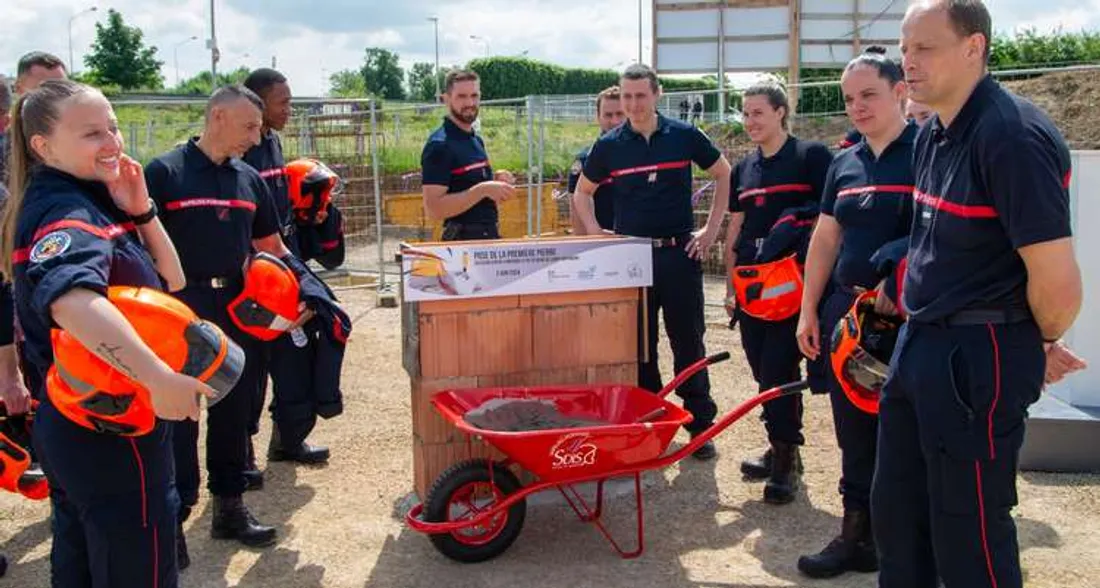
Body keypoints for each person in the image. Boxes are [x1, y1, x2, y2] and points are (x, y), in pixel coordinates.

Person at [875, 2, 1086, 587]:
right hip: (922, 344)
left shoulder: (1011, 137)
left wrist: (1035, 342)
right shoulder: (933, 133)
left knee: (967, 529)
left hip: (977, 352)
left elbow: (1058, 280)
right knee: (899, 513)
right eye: (905, 47)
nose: (908, 63)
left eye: (925, 48)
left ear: (974, 48)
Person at [4, 78, 207, 587]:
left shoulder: (93, 199)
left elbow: (174, 280)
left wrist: (141, 208)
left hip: (86, 420)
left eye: (113, 126)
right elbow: (72, 301)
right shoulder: (65, 211)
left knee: (82, 561)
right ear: (43, 147)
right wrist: (158, 376)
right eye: (92, 133)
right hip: (108, 428)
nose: (113, 142)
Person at [145, 86, 305, 564]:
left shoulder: (249, 179)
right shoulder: (164, 173)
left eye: (258, 128)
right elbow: (139, 245)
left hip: (237, 309)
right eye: (249, 127)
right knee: (176, 416)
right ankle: (172, 518)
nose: (257, 137)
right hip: (179, 308)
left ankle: (229, 509)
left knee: (235, 411)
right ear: (217, 116)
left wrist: (308, 290)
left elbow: (273, 247)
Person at [794, 47, 916, 579]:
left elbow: (947, 232)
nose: (858, 107)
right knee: (853, 431)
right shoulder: (844, 161)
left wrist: (903, 273)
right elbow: (825, 239)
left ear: (900, 90)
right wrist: (809, 310)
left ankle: (905, 547)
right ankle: (855, 538)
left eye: (869, 94)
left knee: (903, 432)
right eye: (849, 99)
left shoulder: (931, 154)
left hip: (908, 317)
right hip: (849, 311)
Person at [573, 64, 731, 460]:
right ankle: (651, 423)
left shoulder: (683, 135)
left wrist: (711, 231)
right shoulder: (610, 145)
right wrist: (595, 231)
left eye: (640, 95)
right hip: (632, 259)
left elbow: (724, 172)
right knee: (641, 346)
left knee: (688, 341)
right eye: (626, 96)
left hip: (679, 254)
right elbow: (582, 193)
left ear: (657, 94)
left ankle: (699, 426)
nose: (633, 104)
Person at [724, 82, 833, 503]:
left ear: (781, 113)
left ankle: (785, 461)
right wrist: (733, 280)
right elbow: (737, 226)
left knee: (777, 371)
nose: (750, 121)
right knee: (761, 373)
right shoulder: (744, 169)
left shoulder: (811, 158)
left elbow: (829, 220)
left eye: (758, 113)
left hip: (796, 286)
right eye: (745, 114)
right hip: (755, 289)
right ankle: (779, 447)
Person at [242, 68, 330, 489]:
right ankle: (240, 459)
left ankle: (288, 440)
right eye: (284, 102)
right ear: (257, 106)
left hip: (284, 265)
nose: (289, 109)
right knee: (251, 368)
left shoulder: (273, 143)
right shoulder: (240, 153)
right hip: (254, 277)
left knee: (295, 355)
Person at [421, 70, 515, 241]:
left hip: (486, 239)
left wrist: (496, 181)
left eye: (474, 95)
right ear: (446, 99)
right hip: (461, 247)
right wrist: (483, 190)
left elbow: (466, 184)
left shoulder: (475, 140)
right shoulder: (439, 145)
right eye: (461, 96)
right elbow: (433, 210)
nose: (470, 102)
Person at [568, 86, 625, 233]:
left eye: (620, 114)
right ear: (598, 116)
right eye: (608, 115)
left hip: (642, 243)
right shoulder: (585, 160)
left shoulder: (646, 154)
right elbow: (577, 216)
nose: (615, 121)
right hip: (603, 244)